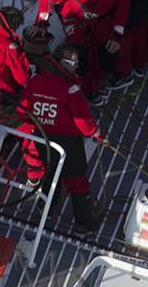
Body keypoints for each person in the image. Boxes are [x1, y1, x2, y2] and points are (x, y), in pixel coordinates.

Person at [8, 38, 105, 231]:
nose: (75, 68)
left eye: (77, 64)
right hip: (67, 142)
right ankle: (84, 221)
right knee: (77, 180)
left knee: (51, 175)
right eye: (72, 63)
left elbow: (23, 108)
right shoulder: (71, 89)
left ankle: (46, 210)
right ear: (61, 62)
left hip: (42, 138)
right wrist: (97, 134)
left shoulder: (35, 80)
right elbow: (82, 122)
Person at [37, 0, 130, 97]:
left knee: (109, 48)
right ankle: (88, 89)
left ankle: (100, 80)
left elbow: (122, 8)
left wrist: (116, 35)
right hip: (74, 17)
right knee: (78, 55)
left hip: (99, 18)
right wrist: (42, 23)